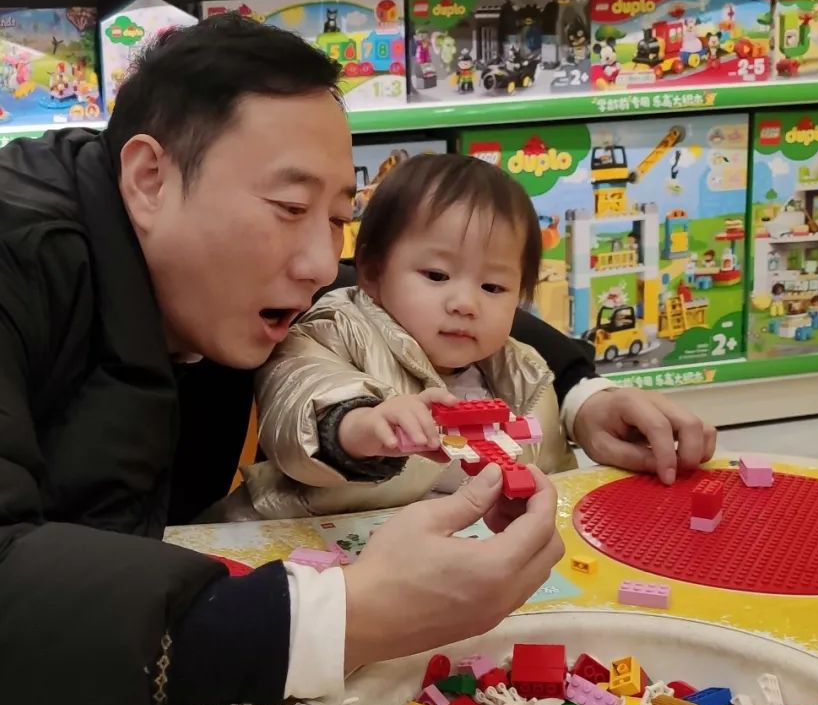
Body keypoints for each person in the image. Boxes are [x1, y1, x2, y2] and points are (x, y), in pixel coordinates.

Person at [0, 15, 715, 705]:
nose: (316, 261)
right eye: (289, 208)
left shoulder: (200, 262)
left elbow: (383, 291)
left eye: (336, 219)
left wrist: (583, 392)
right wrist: (339, 617)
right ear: (149, 178)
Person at [231, 153, 577, 520]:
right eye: (437, 276)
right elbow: (300, 394)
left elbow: (558, 479)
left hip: (461, 547)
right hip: (305, 538)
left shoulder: (525, 377)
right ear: (373, 272)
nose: (465, 304)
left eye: (493, 287)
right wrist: (357, 426)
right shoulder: (336, 330)